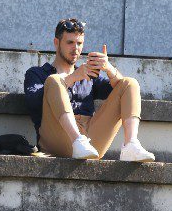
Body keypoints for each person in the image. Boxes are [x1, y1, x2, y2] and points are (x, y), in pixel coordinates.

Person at [23, 18, 156, 161]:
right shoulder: (37, 73)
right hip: (57, 139)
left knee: (131, 83)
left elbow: (124, 92)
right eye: (70, 43)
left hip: (90, 142)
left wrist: (109, 68)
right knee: (55, 80)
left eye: (79, 43)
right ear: (57, 43)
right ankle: (77, 141)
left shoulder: (88, 75)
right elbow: (34, 102)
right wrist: (72, 77)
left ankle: (131, 145)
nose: (76, 48)